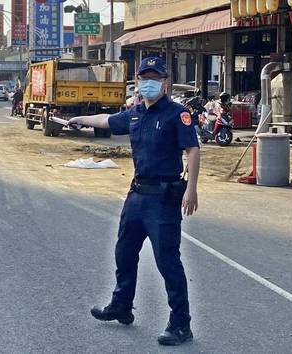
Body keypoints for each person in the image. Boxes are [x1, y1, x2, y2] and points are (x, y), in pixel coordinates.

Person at [68, 57, 200, 346]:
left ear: (165, 82)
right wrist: (79, 119)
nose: (149, 83)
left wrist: (192, 189)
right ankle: (121, 305)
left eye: (155, 77)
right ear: (138, 82)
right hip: (137, 195)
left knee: (168, 262)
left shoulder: (178, 114)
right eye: (144, 78)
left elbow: (192, 150)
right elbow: (106, 121)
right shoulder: (136, 114)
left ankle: (181, 324)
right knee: (124, 252)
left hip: (164, 199)